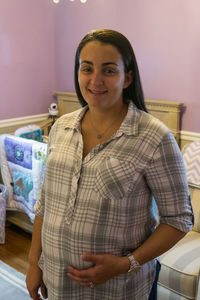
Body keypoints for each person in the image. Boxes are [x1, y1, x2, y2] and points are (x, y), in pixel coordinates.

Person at [26, 29, 194, 300]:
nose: (95, 80)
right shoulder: (61, 128)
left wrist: (126, 264)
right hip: (58, 283)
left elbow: (179, 220)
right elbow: (46, 203)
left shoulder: (154, 137)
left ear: (127, 77)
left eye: (108, 70)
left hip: (119, 289)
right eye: (87, 68)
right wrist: (35, 263)